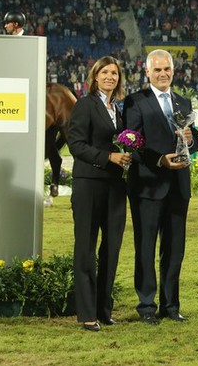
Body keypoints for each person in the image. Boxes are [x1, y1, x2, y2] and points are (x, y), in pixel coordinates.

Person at [123, 49, 198, 325]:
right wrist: (159, 160)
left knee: (174, 249)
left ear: (173, 70)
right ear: (147, 73)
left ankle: (171, 306)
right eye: (157, 70)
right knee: (145, 248)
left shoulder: (183, 102)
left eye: (166, 69)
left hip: (179, 187)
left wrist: (191, 140)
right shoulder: (135, 101)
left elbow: (196, 144)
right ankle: (146, 306)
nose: (163, 74)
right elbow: (131, 142)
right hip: (148, 186)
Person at [67, 56, 131, 332]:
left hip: (116, 186)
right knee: (86, 248)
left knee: (111, 248)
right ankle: (86, 313)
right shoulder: (84, 104)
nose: (110, 77)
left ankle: (104, 310)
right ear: (95, 77)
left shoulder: (118, 108)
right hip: (89, 184)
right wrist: (109, 157)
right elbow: (76, 144)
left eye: (114, 73)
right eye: (105, 72)